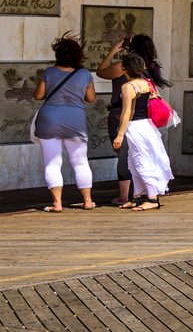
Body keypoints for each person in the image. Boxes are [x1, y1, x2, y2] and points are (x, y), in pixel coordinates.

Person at [96, 33, 165, 207]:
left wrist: (113, 51)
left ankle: (127, 196)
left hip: (123, 115)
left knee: (127, 158)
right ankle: (138, 196)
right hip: (146, 119)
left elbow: (101, 71)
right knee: (137, 158)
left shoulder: (122, 68)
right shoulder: (152, 67)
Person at [32, 35, 97, 212]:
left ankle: (57, 204)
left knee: (52, 163)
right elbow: (91, 98)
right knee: (81, 162)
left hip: (50, 120)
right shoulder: (84, 74)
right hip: (75, 121)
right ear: (78, 56)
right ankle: (88, 201)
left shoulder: (49, 72)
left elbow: (38, 96)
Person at [110, 51, 172, 210]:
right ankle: (137, 197)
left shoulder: (127, 86)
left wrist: (120, 134)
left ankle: (152, 199)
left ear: (124, 69)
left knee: (141, 161)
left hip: (135, 128)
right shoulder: (149, 83)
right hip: (148, 126)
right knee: (134, 161)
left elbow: (127, 112)